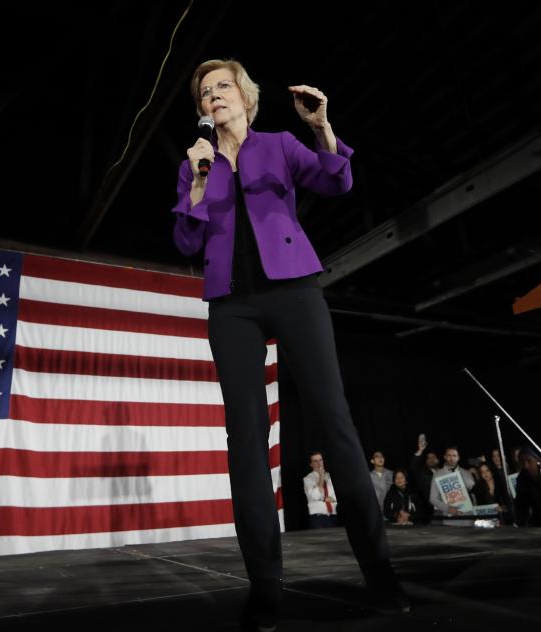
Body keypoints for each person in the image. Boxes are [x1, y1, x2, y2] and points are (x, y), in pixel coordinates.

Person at [171, 59, 408, 629]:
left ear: (245, 97)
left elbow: (338, 180)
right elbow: (185, 240)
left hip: (294, 290)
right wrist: (199, 182)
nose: (213, 97)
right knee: (246, 438)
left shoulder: (277, 144)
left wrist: (322, 128)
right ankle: (264, 586)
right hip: (231, 305)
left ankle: (379, 570)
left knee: (334, 421)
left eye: (222, 86)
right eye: (205, 93)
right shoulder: (194, 165)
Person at [429, 446, 476, 517]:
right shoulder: (437, 474)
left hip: (468, 516)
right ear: (445, 457)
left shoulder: (467, 473)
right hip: (449, 518)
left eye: (454, 455)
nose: (451, 458)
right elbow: (433, 498)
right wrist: (448, 509)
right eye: (449, 455)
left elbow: (474, 494)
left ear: (458, 457)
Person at [303, 452, 339, 528]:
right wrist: (321, 477)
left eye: (320, 460)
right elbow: (314, 496)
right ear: (311, 464)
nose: (319, 463)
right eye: (315, 461)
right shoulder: (308, 479)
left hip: (334, 515)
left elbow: (337, 494)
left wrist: (331, 499)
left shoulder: (331, 477)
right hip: (318, 517)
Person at [409, 435, 440, 524]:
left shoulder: (445, 471)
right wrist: (421, 449)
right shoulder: (422, 473)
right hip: (432, 512)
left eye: (433, 457)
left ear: (438, 460)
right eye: (429, 458)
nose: (431, 459)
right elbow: (413, 466)